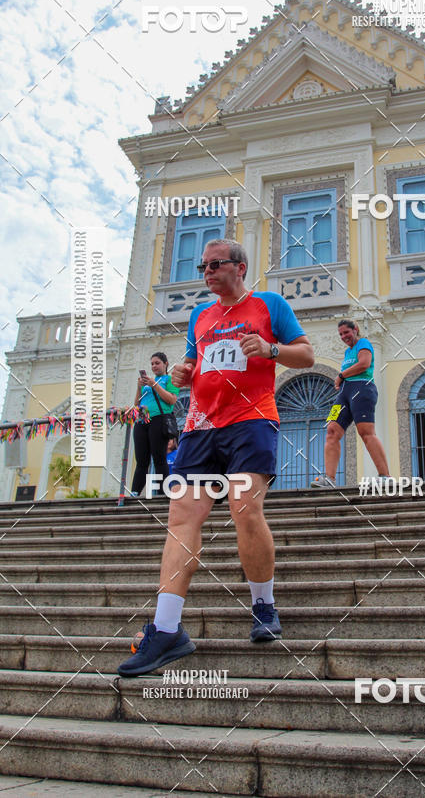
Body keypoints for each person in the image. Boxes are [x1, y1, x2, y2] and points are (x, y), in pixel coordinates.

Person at [117, 238, 314, 676]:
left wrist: (271, 350)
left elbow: (306, 354)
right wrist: (184, 372)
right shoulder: (200, 316)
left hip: (252, 419)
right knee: (182, 516)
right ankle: (167, 629)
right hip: (201, 425)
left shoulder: (269, 305)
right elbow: (191, 367)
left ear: (240, 267)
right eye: (202, 266)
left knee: (244, 507)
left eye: (215, 264)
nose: (206, 272)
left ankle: (263, 605)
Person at [310, 319, 390, 488]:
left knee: (366, 432)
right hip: (344, 394)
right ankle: (329, 479)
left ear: (355, 330)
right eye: (340, 334)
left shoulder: (363, 343)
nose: (343, 336)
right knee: (331, 430)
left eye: (346, 332)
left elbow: (364, 363)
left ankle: (385, 476)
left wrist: (341, 375)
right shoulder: (348, 352)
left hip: (362, 389)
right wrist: (342, 379)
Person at [118, 352, 179, 506]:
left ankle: (163, 492)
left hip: (159, 419)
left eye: (157, 363)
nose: (154, 366)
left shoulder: (169, 379)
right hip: (142, 420)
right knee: (141, 459)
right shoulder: (147, 384)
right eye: (152, 364)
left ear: (165, 363)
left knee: (159, 458)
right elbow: (137, 405)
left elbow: (171, 400)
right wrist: (139, 388)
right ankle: (135, 491)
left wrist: (155, 385)